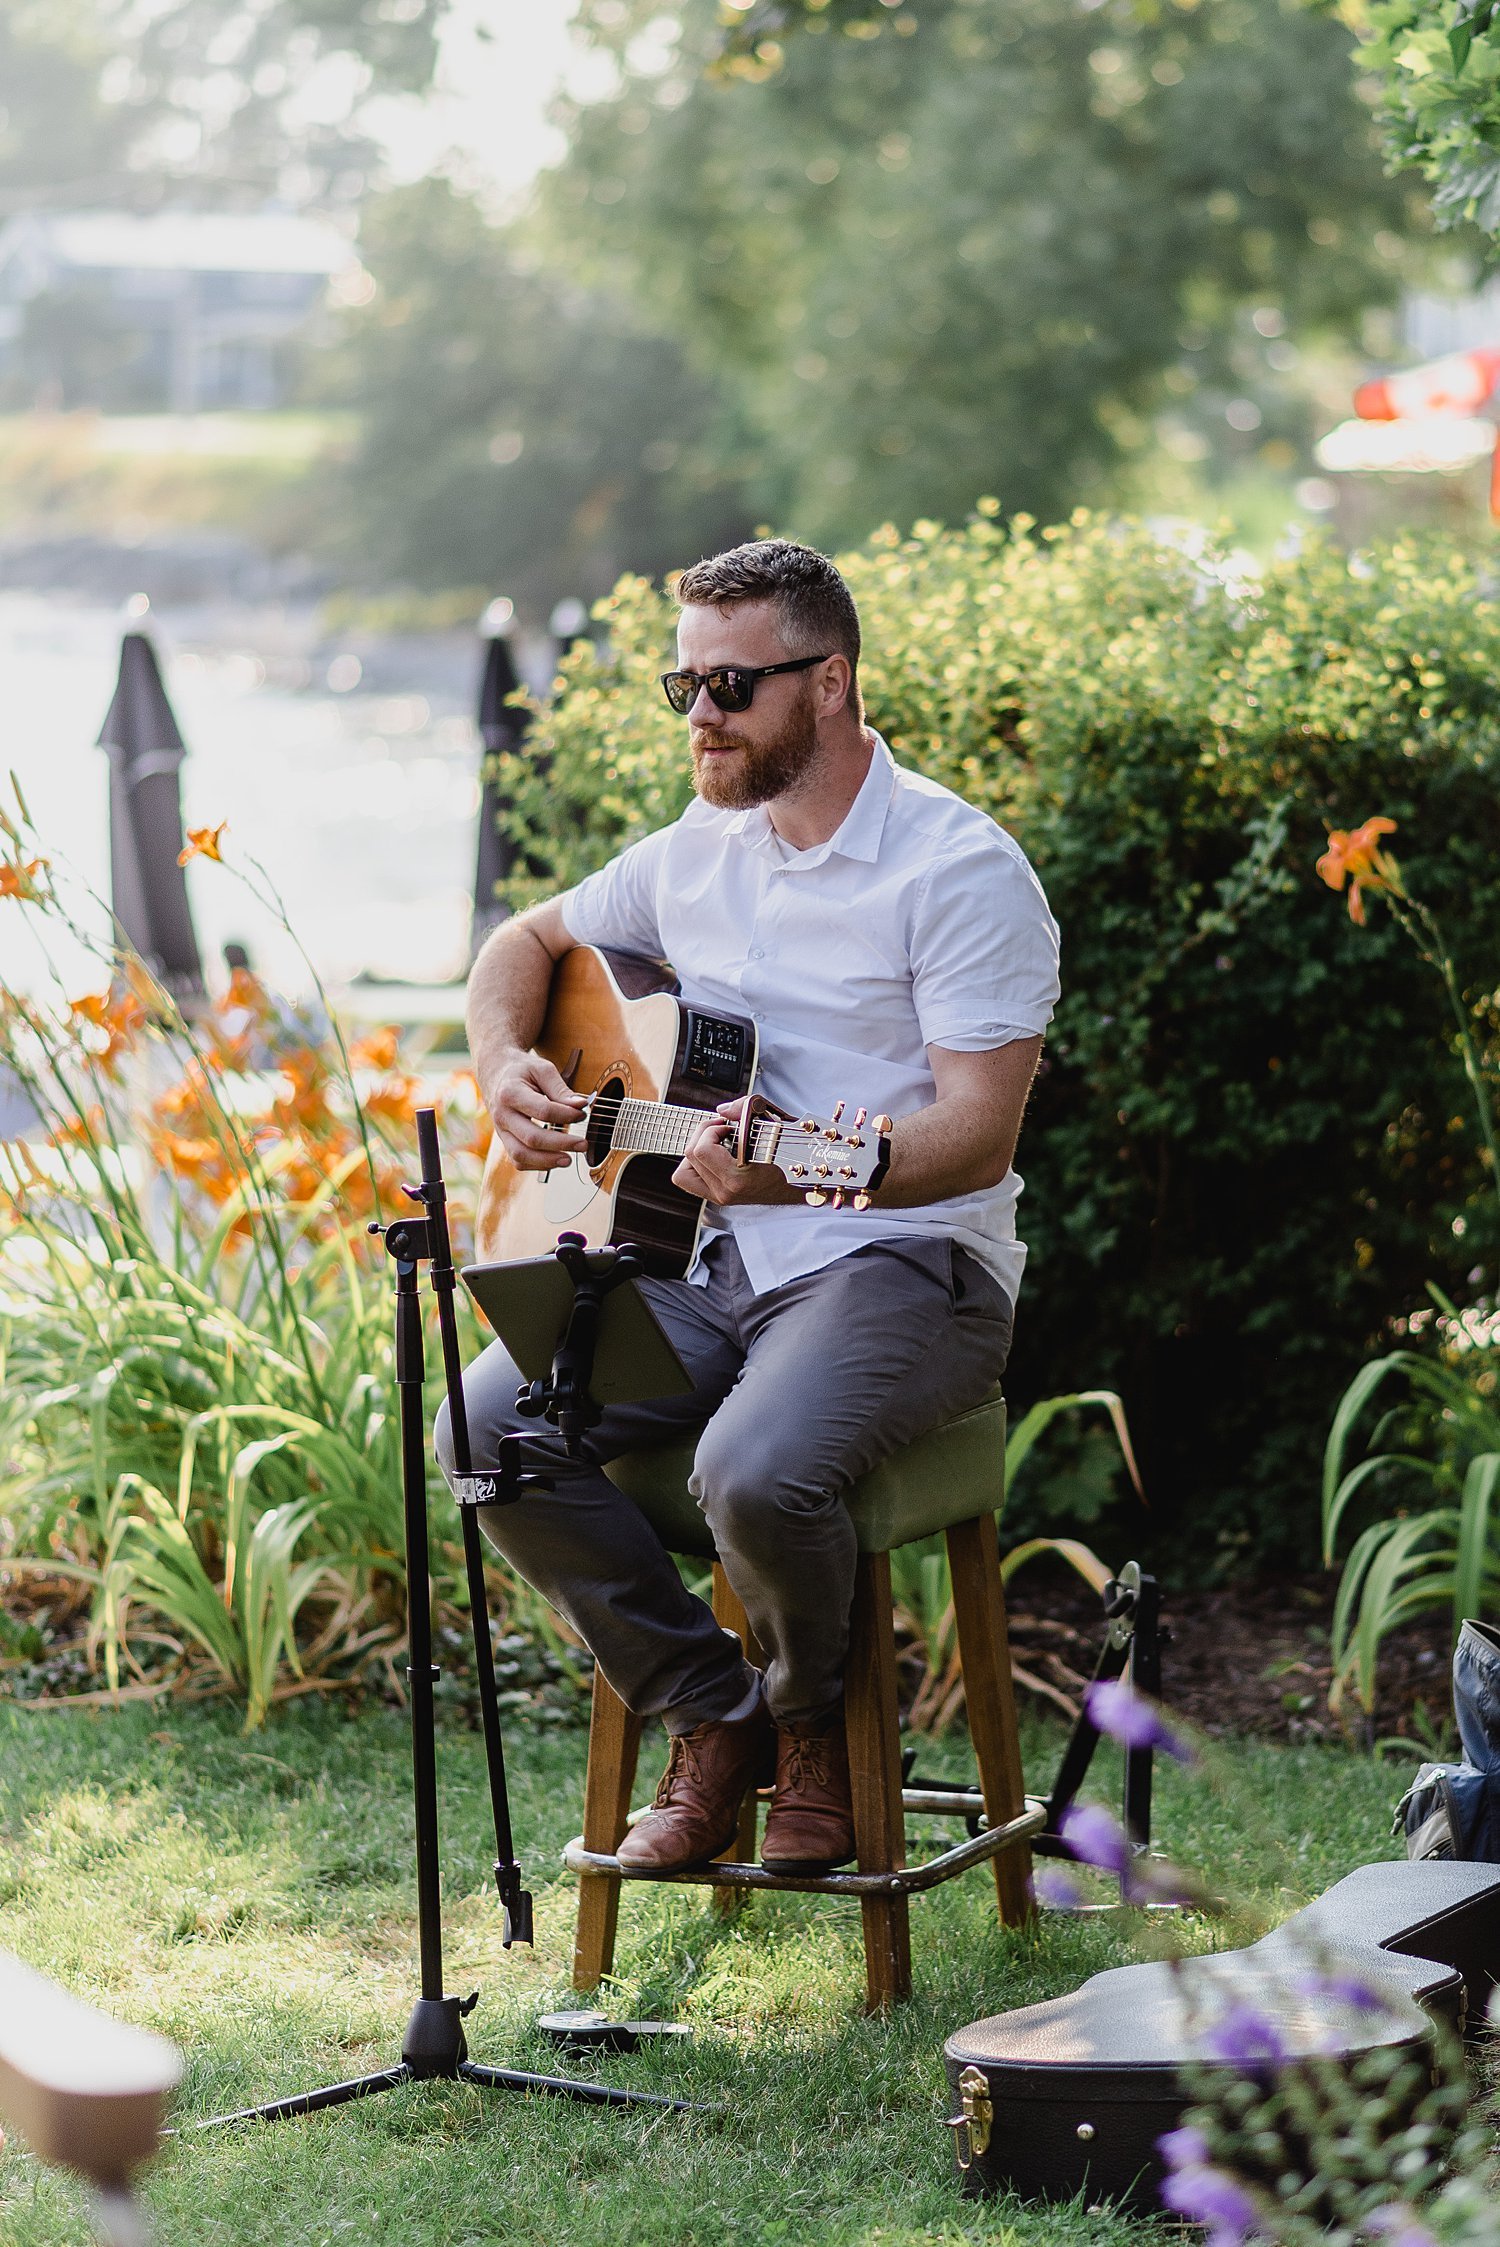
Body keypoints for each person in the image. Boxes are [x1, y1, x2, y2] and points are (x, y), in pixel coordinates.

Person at [439, 538, 1059, 1876]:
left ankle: (821, 1740)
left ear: (827, 684)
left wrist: (800, 1165)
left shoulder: (958, 871)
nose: (701, 718)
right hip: (709, 1258)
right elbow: (520, 946)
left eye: (731, 688)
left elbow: (971, 1135)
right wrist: (506, 1067)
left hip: (907, 1266)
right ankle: (724, 1726)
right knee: (487, 1426)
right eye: (685, 687)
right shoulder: (695, 854)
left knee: (754, 1469)